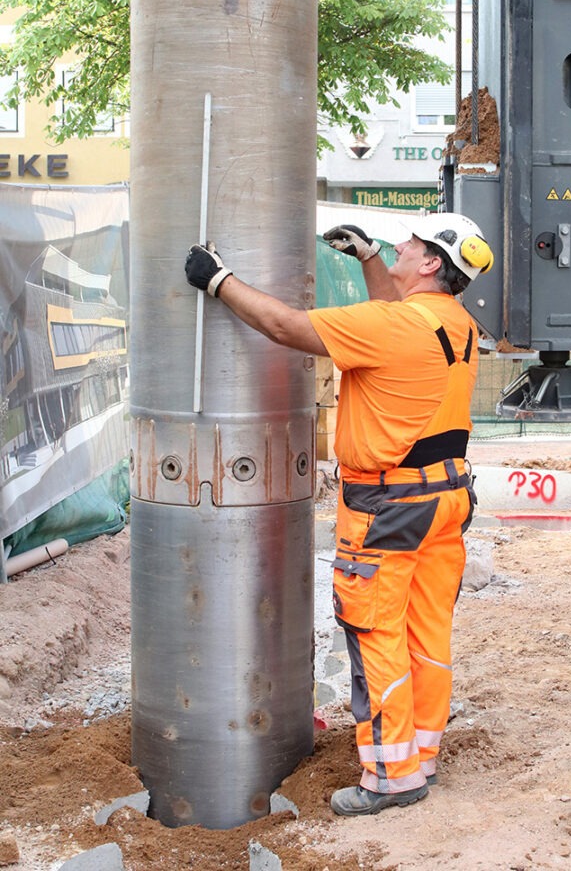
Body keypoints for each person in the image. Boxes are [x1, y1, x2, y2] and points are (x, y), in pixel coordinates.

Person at [184, 212, 493, 816]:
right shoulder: (455, 324)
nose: (399, 244)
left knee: (376, 634)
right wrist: (371, 260)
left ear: (431, 262)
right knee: (426, 634)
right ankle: (419, 757)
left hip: (388, 508)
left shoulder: (394, 325)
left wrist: (218, 280)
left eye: (410, 244)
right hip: (444, 500)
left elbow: (284, 325)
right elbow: (397, 318)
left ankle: (391, 778)